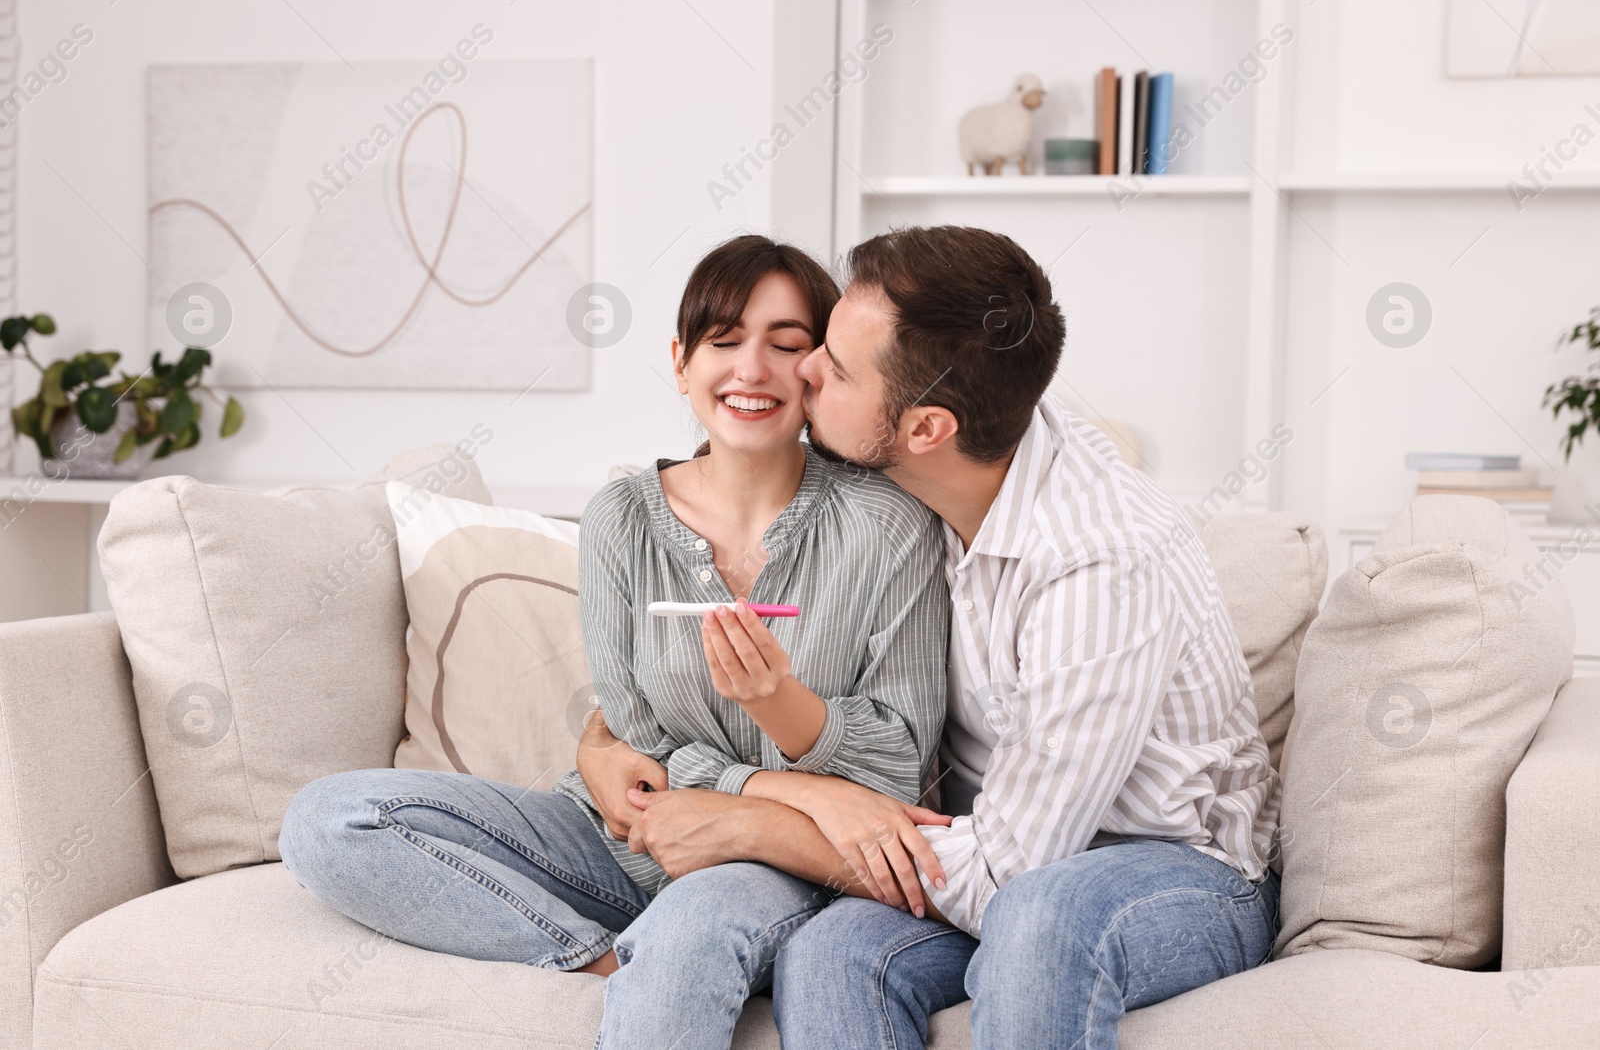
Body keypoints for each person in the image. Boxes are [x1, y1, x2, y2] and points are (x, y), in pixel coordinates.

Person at [600, 225, 1282, 1049]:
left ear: (925, 428)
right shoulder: (948, 454)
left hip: (1176, 869)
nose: (802, 366)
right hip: (983, 838)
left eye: (835, 367)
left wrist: (752, 824)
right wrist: (598, 741)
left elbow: (1010, 873)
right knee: (832, 954)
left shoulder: (1100, 563)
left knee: (1042, 920)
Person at [276, 234, 953, 1050]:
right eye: (725, 340)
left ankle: (659, 956)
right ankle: (597, 962)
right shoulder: (622, 518)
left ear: (817, 370)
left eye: (786, 344)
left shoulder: (890, 527)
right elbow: (636, 750)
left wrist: (781, 710)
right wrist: (795, 785)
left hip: (772, 868)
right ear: (681, 360)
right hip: (612, 838)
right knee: (331, 816)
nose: (752, 370)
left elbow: (900, 769)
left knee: (689, 930)